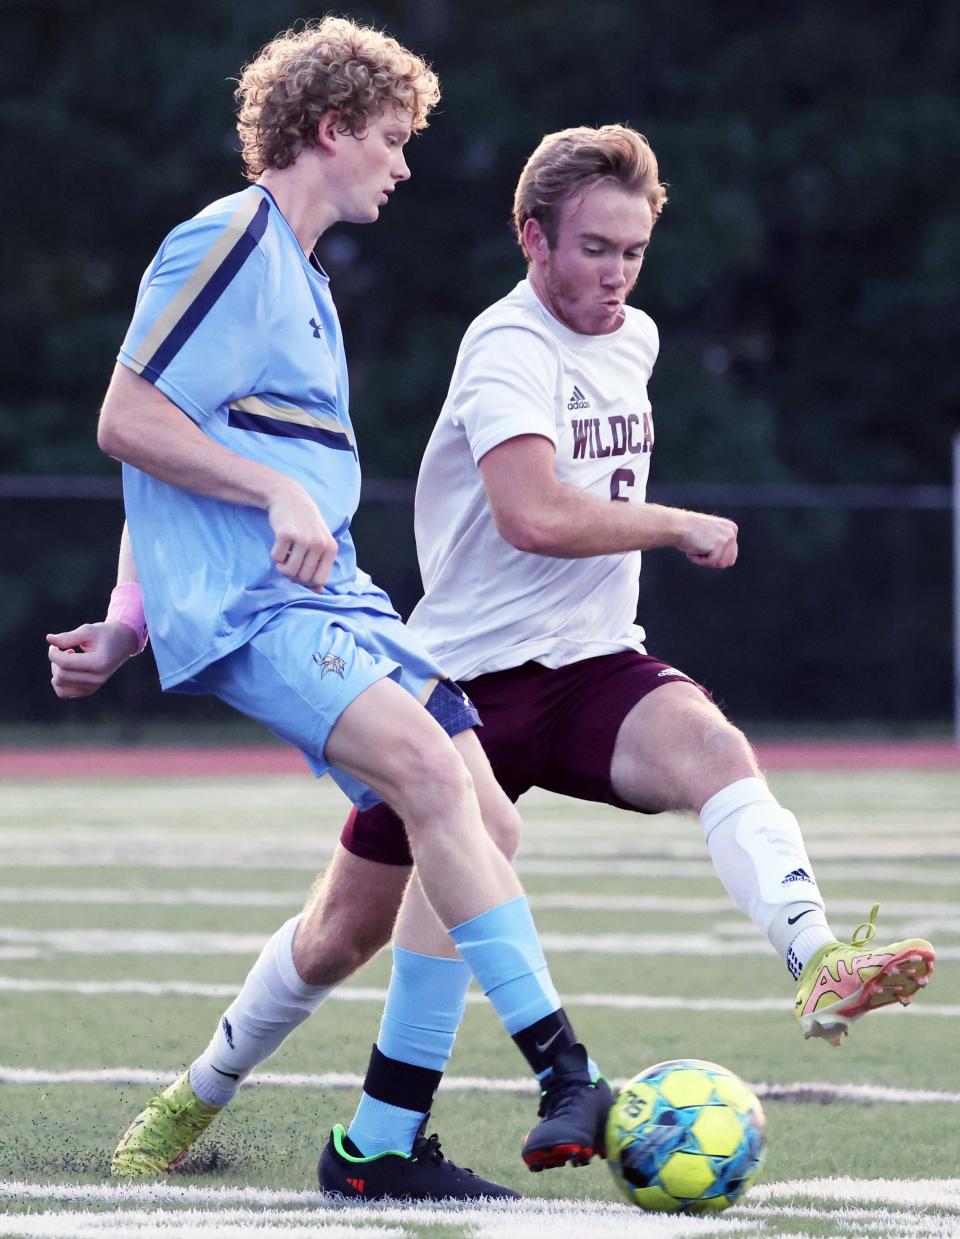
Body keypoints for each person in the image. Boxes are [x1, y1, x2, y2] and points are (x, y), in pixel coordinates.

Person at [51, 122, 936, 1196]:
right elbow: (530, 515)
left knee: (713, 749)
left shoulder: (635, 338)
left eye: (633, 252)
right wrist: (672, 524)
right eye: (595, 249)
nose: (615, 275)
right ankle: (203, 1089)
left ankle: (814, 959)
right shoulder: (500, 346)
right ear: (534, 240)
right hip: (464, 672)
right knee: (340, 933)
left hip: (592, 665)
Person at [47, 21, 619, 1202]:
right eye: (394, 140)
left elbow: (179, 443)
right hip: (260, 607)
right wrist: (260, 502)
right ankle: (565, 1070)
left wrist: (126, 616)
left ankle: (374, 1139)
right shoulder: (231, 235)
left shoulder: (299, 277)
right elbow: (129, 419)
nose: (405, 166)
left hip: (331, 596)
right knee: (426, 773)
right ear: (331, 129)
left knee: (479, 822)